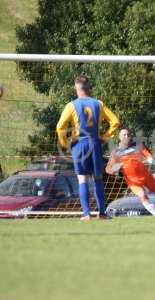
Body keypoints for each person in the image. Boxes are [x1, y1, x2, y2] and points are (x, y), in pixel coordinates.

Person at [56, 75, 120, 220]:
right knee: (98, 179)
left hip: (80, 144)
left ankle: (86, 214)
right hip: (95, 142)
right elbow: (115, 122)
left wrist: (66, 144)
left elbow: (60, 127)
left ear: (75, 88)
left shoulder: (71, 105)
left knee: (82, 179)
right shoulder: (98, 103)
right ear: (88, 87)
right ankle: (102, 214)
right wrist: (105, 137)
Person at [105, 128, 155, 216]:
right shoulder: (116, 152)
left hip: (145, 175)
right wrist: (115, 169)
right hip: (132, 180)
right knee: (142, 194)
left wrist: (150, 158)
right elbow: (108, 169)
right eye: (124, 135)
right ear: (119, 137)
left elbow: (146, 153)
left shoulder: (137, 145)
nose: (127, 137)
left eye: (128, 135)